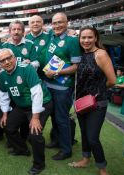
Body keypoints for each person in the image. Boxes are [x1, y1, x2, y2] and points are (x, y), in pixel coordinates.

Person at [68, 26, 115, 175]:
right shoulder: (81, 54)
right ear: (79, 39)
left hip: (97, 103)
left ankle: (102, 169)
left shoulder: (101, 54)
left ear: (96, 38)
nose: (86, 40)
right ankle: (85, 159)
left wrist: (96, 91)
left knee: (93, 137)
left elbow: (112, 81)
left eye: (89, 37)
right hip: (81, 102)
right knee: (84, 133)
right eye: (83, 38)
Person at [0, 48, 52, 175]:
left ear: (14, 57)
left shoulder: (27, 68)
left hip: (41, 104)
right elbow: (3, 95)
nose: (7, 62)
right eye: (2, 60)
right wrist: (5, 114)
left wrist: (36, 117)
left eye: (8, 58)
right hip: (23, 107)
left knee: (35, 133)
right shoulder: (2, 75)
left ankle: (39, 164)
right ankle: (22, 149)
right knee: (8, 126)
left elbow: (37, 93)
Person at [43, 12, 82, 160]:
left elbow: (75, 66)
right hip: (49, 85)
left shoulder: (72, 41)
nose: (57, 25)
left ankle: (66, 149)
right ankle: (56, 140)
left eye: (61, 22)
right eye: (55, 23)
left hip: (63, 88)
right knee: (54, 116)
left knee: (62, 118)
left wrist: (57, 72)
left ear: (67, 23)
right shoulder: (51, 35)